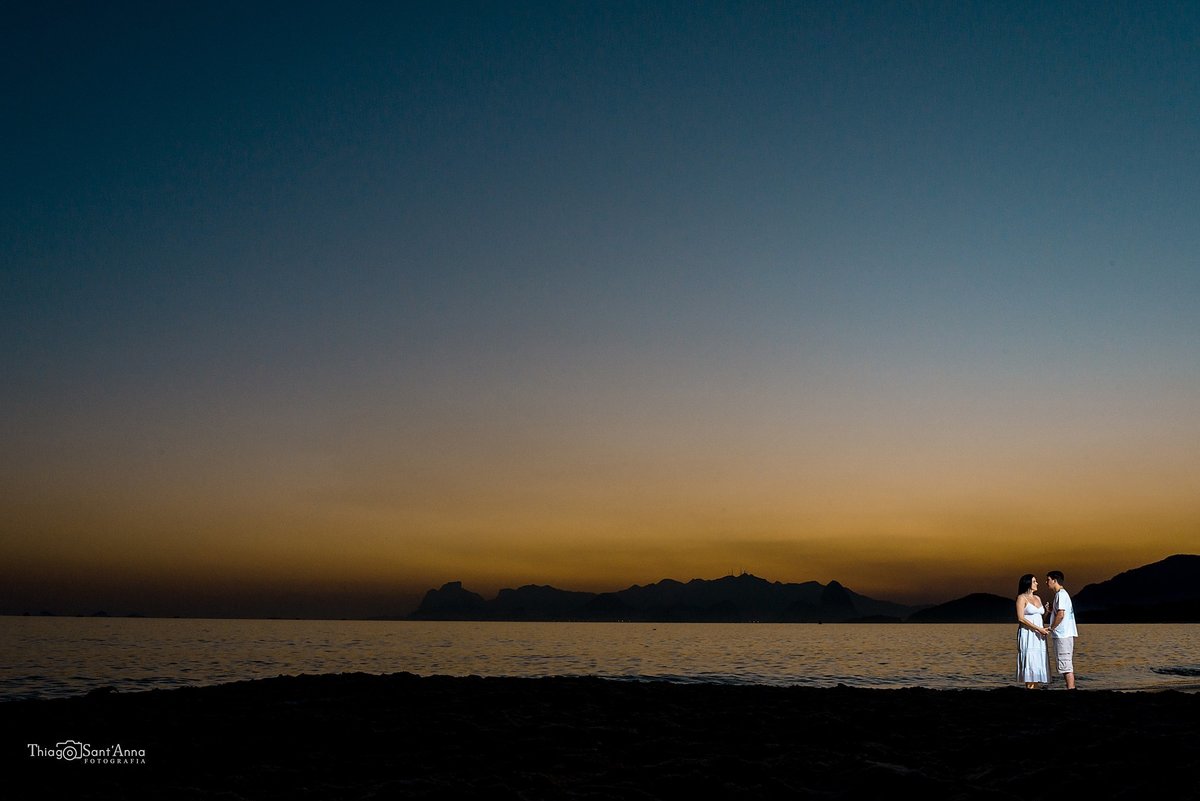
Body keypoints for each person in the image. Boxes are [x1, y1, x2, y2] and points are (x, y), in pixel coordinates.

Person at [1015, 574, 1049, 688]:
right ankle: (1029, 686)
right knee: (1030, 658)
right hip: (1028, 633)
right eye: (1034, 581)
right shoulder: (1021, 598)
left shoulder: (1038, 598)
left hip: (1038, 634)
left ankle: (1036, 686)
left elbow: (1039, 618)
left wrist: (1047, 612)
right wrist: (1038, 629)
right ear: (1028, 583)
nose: (1037, 583)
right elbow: (1021, 618)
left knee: (1038, 659)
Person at [1045, 570, 1078, 689]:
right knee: (1064, 663)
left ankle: (1071, 688)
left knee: (1065, 663)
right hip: (1063, 634)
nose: (1046, 582)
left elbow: (1061, 614)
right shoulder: (1060, 595)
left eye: (1048, 580)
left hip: (1063, 634)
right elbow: (1059, 612)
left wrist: (1051, 628)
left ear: (1054, 580)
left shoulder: (1061, 594)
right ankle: (1070, 687)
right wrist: (1050, 610)